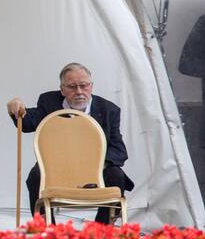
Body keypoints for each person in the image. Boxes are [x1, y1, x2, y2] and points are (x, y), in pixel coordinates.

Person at [7, 62, 134, 223]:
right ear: (62, 89)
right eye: (72, 87)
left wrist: (91, 165)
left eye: (84, 85)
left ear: (91, 86)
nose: (79, 92)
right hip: (57, 166)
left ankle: (101, 230)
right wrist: (18, 108)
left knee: (117, 176)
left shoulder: (108, 110)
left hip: (95, 168)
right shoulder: (49, 102)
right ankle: (47, 231)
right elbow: (27, 124)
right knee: (35, 176)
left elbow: (119, 150)